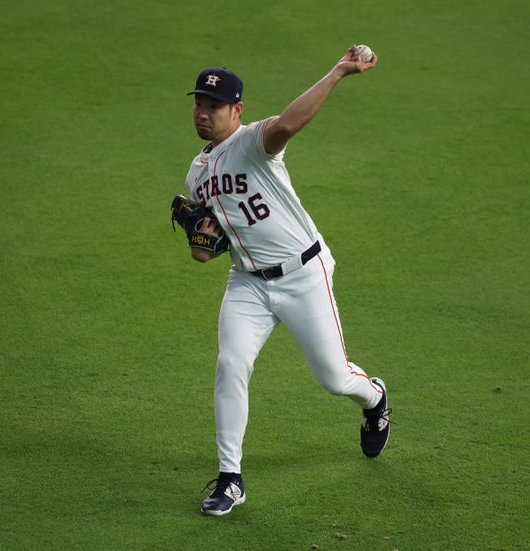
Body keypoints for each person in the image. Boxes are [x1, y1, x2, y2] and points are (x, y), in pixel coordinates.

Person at [181, 46, 391, 516]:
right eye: (199, 104)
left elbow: (289, 124)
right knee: (231, 364)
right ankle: (230, 478)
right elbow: (203, 251)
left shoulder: (255, 141)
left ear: (236, 110)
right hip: (247, 284)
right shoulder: (196, 174)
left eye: (214, 106)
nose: (203, 113)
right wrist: (200, 242)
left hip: (303, 274)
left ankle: (374, 398)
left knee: (335, 378)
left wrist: (338, 71)